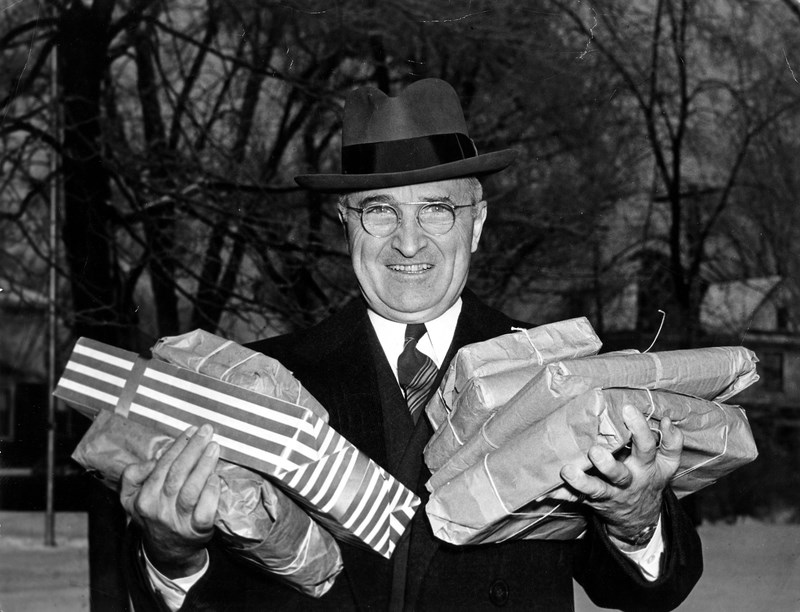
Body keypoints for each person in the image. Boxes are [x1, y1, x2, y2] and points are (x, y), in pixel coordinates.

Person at [120, 78, 703, 611]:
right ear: (345, 223)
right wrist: (174, 557)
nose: (407, 242)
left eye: (436, 209)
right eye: (379, 211)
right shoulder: (260, 380)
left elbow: (649, 589)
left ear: (475, 224)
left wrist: (636, 518)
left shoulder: (554, 376)